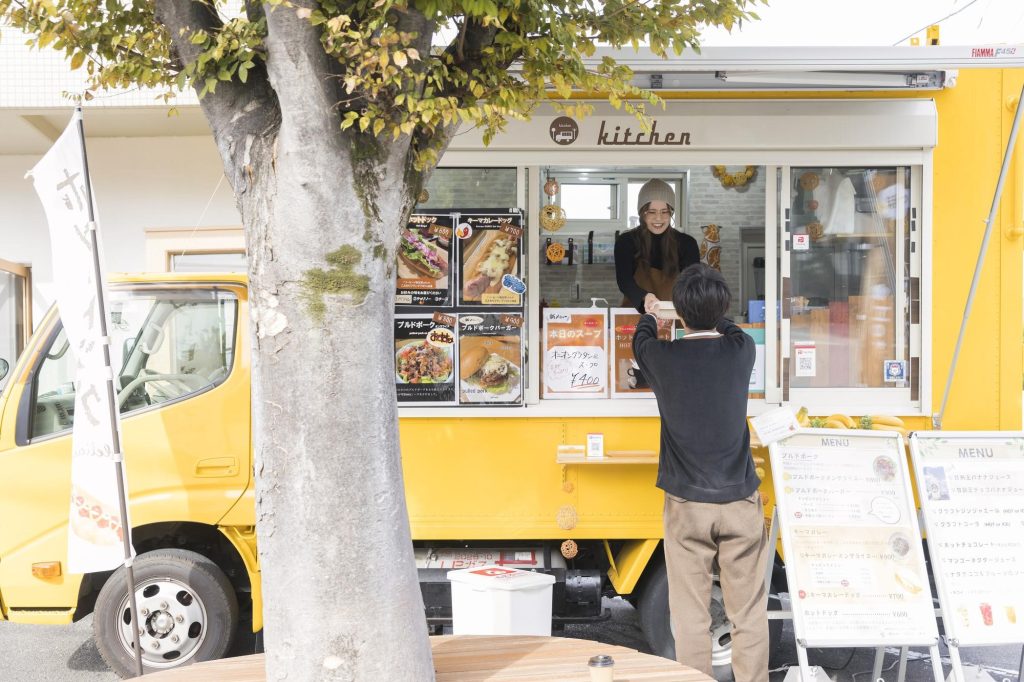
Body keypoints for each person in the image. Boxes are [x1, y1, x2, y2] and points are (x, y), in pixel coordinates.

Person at [632, 263, 768, 682]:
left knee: (690, 615)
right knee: (748, 613)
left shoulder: (661, 357)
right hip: (740, 502)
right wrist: (698, 309)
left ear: (683, 316)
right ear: (722, 307)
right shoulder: (742, 350)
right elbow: (727, 326)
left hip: (687, 504)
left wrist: (656, 311)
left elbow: (641, 337)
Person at [615, 179, 700, 314]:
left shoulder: (687, 244)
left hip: (674, 316)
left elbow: (691, 284)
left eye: (664, 211)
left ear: (671, 212)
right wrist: (644, 296)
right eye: (652, 212)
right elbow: (624, 282)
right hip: (635, 316)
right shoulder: (626, 242)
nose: (658, 218)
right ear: (642, 213)